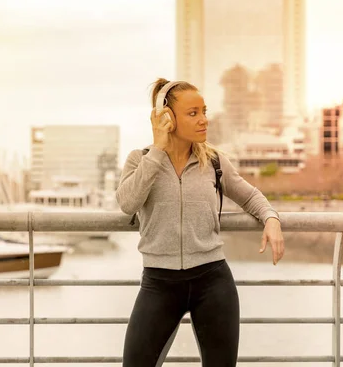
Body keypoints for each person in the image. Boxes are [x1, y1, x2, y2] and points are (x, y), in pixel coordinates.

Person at [116, 78, 284, 367]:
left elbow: (249, 195)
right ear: (167, 117)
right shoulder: (140, 160)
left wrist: (271, 219)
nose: (204, 120)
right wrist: (157, 150)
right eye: (193, 113)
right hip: (159, 284)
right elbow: (127, 203)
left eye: (204, 111)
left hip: (213, 282)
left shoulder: (214, 162)